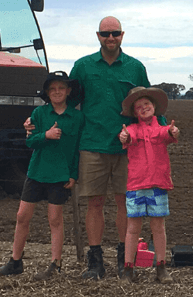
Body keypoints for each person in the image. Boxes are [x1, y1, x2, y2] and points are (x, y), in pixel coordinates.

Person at [37, 16, 151, 279]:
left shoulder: (135, 68)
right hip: (92, 145)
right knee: (95, 204)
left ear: (122, 35)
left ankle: (126, 259)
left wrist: (162, 132)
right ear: (97, 36)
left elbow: (146, 105)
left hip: (127, 148)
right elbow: (64, 102)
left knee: (126, 204)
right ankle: (95, 261)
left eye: (115, 33)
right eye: (105, 34)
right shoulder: (83, 67)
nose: (110, 38)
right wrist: (38, 120)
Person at [0, 72, 84, 279]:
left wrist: (74, 175)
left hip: (61, 175)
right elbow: (30, 142)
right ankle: (15, 261)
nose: (57, 92)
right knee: (22, 216)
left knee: (55, 219)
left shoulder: (77, 118)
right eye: (53, 89)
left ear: (68, 91)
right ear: (47, 92)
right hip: (36, 172)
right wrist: (46, 135)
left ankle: (56, 264)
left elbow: (77, 150)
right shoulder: (38, 114)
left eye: (61, 88)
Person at [117, 86, 179, 283]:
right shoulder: (132, 130)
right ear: (134, 113)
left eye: (147, 104)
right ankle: (128, 268)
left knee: (158, 227)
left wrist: (173, 131)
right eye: (139, 107)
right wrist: (124, 137)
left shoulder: (161, 129)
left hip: (158, 184)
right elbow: (128, 137)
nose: (144, 108)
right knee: (133, 227)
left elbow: (168, 134)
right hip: (136, 186)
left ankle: (161, 267)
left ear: (154, 106)